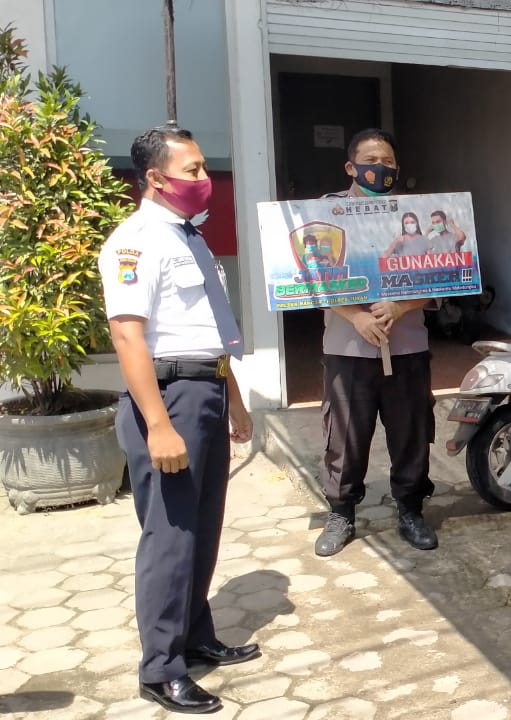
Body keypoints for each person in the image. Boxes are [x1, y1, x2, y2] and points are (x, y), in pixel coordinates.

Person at [99, 125, 259, 714]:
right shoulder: (135, 242)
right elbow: (127, 336)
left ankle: (195, 636)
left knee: (203, 526)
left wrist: (233, 398)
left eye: (202, 167)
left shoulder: (190, 239)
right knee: (170, 536)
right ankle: (161, 668)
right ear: (155, 178)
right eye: (191, 170)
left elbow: (209, 331)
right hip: (169, 400)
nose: (203, 179)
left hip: (206, 389)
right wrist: (158, 424)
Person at [313, 128, 439, 557]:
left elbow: (442, 276)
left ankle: (410, 508)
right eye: (370, 161)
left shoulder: (415, 217)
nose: (379, 168)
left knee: (411, 431)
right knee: (345, 434)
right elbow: (307, 276)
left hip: (407, 347)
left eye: (387, 162)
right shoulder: (325, 214)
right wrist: (356, 316)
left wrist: (401, 307)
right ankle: (341, 512)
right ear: (350, 167)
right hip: (348, 348)